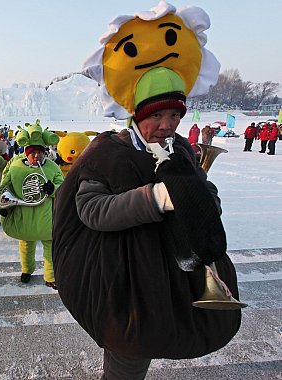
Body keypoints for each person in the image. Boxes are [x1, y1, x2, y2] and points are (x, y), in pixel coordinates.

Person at [53, 68, 242, 379]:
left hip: (173, 280)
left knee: (145, 341)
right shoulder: (107, 151)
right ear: (137, 115)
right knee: (129, 353)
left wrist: (200, 199)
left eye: (174, 115)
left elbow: (205, 195)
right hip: (124, 281)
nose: (166, 125)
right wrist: (158, 198)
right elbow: (91, 210)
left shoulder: (180, 148)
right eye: (156, 115)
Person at [0, 120, 63, 289]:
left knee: (50, 248)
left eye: (40, 152)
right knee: (26, 246)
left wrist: (53, 188)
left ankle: (50, 276)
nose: (37, 156)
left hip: (46, 217)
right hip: (24, 215)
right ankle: (27, 270)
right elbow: (6, 187)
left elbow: (64, 188)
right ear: (26, 153)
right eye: (33, 152)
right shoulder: (15, 166)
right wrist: (4, 207)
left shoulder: (52, 167)